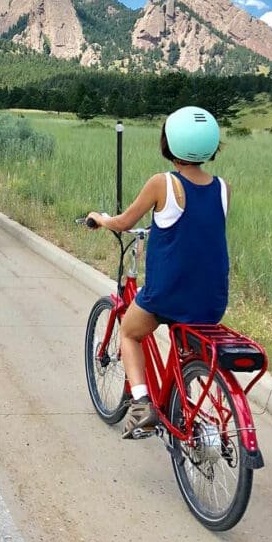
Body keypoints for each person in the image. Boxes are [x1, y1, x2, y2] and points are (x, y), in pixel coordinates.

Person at [87, 106, 229, 439]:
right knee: (184, 343)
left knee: (130, 333)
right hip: (212, 300)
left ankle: (141, 406)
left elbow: (124, 223)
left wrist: (100, 218)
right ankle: (183, 402)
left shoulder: (162, 183)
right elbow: (197, 228)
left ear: (169, 143)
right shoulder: (223, 188)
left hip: (167, 295)